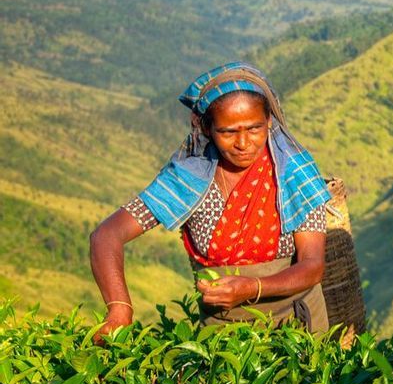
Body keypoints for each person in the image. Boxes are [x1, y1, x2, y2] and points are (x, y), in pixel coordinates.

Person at [90, 62, 333, 338]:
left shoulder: (293, 173)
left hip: (297, 326)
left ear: (269, 122)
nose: (243, 143)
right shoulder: (189, 179)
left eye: (254, 129)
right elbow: (106, 235)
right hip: (222, 336)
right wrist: (120, 309)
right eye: (228, 132)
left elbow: (312, 266)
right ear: (206, 129)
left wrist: (252, 287)